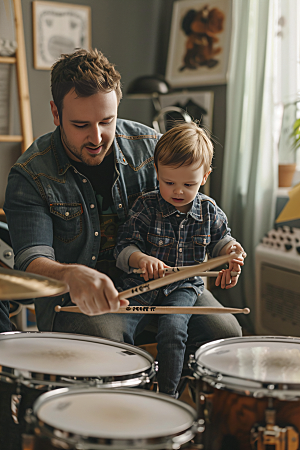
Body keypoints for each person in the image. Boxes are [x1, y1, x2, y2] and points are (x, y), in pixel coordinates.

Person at [4, 48, 242, 364]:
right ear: (55, 113)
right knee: (106, 349)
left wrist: (225, 251)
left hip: (163, 286)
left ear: (118, 103)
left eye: (107, 121)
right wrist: (72, 274)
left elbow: (193, 210)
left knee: (225, 334)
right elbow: (32, 259)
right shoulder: (30, 173)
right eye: (80, 124)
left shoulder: (151, 146)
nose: (97, 137)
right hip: (77, 302)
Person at [113, 123, 245, 396]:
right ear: (157, 173)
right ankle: (123, 390)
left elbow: (223, 241)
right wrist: (140, 259)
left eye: (189, 184)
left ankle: (169, 395)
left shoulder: (209, 212)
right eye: (168, 182)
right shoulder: (146, 205)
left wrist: (232, 252)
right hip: (142, 285)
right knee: (117, 330)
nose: (178, 191)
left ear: (205, 176)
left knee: (173, 329)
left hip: (184, 287)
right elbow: (123, 248)